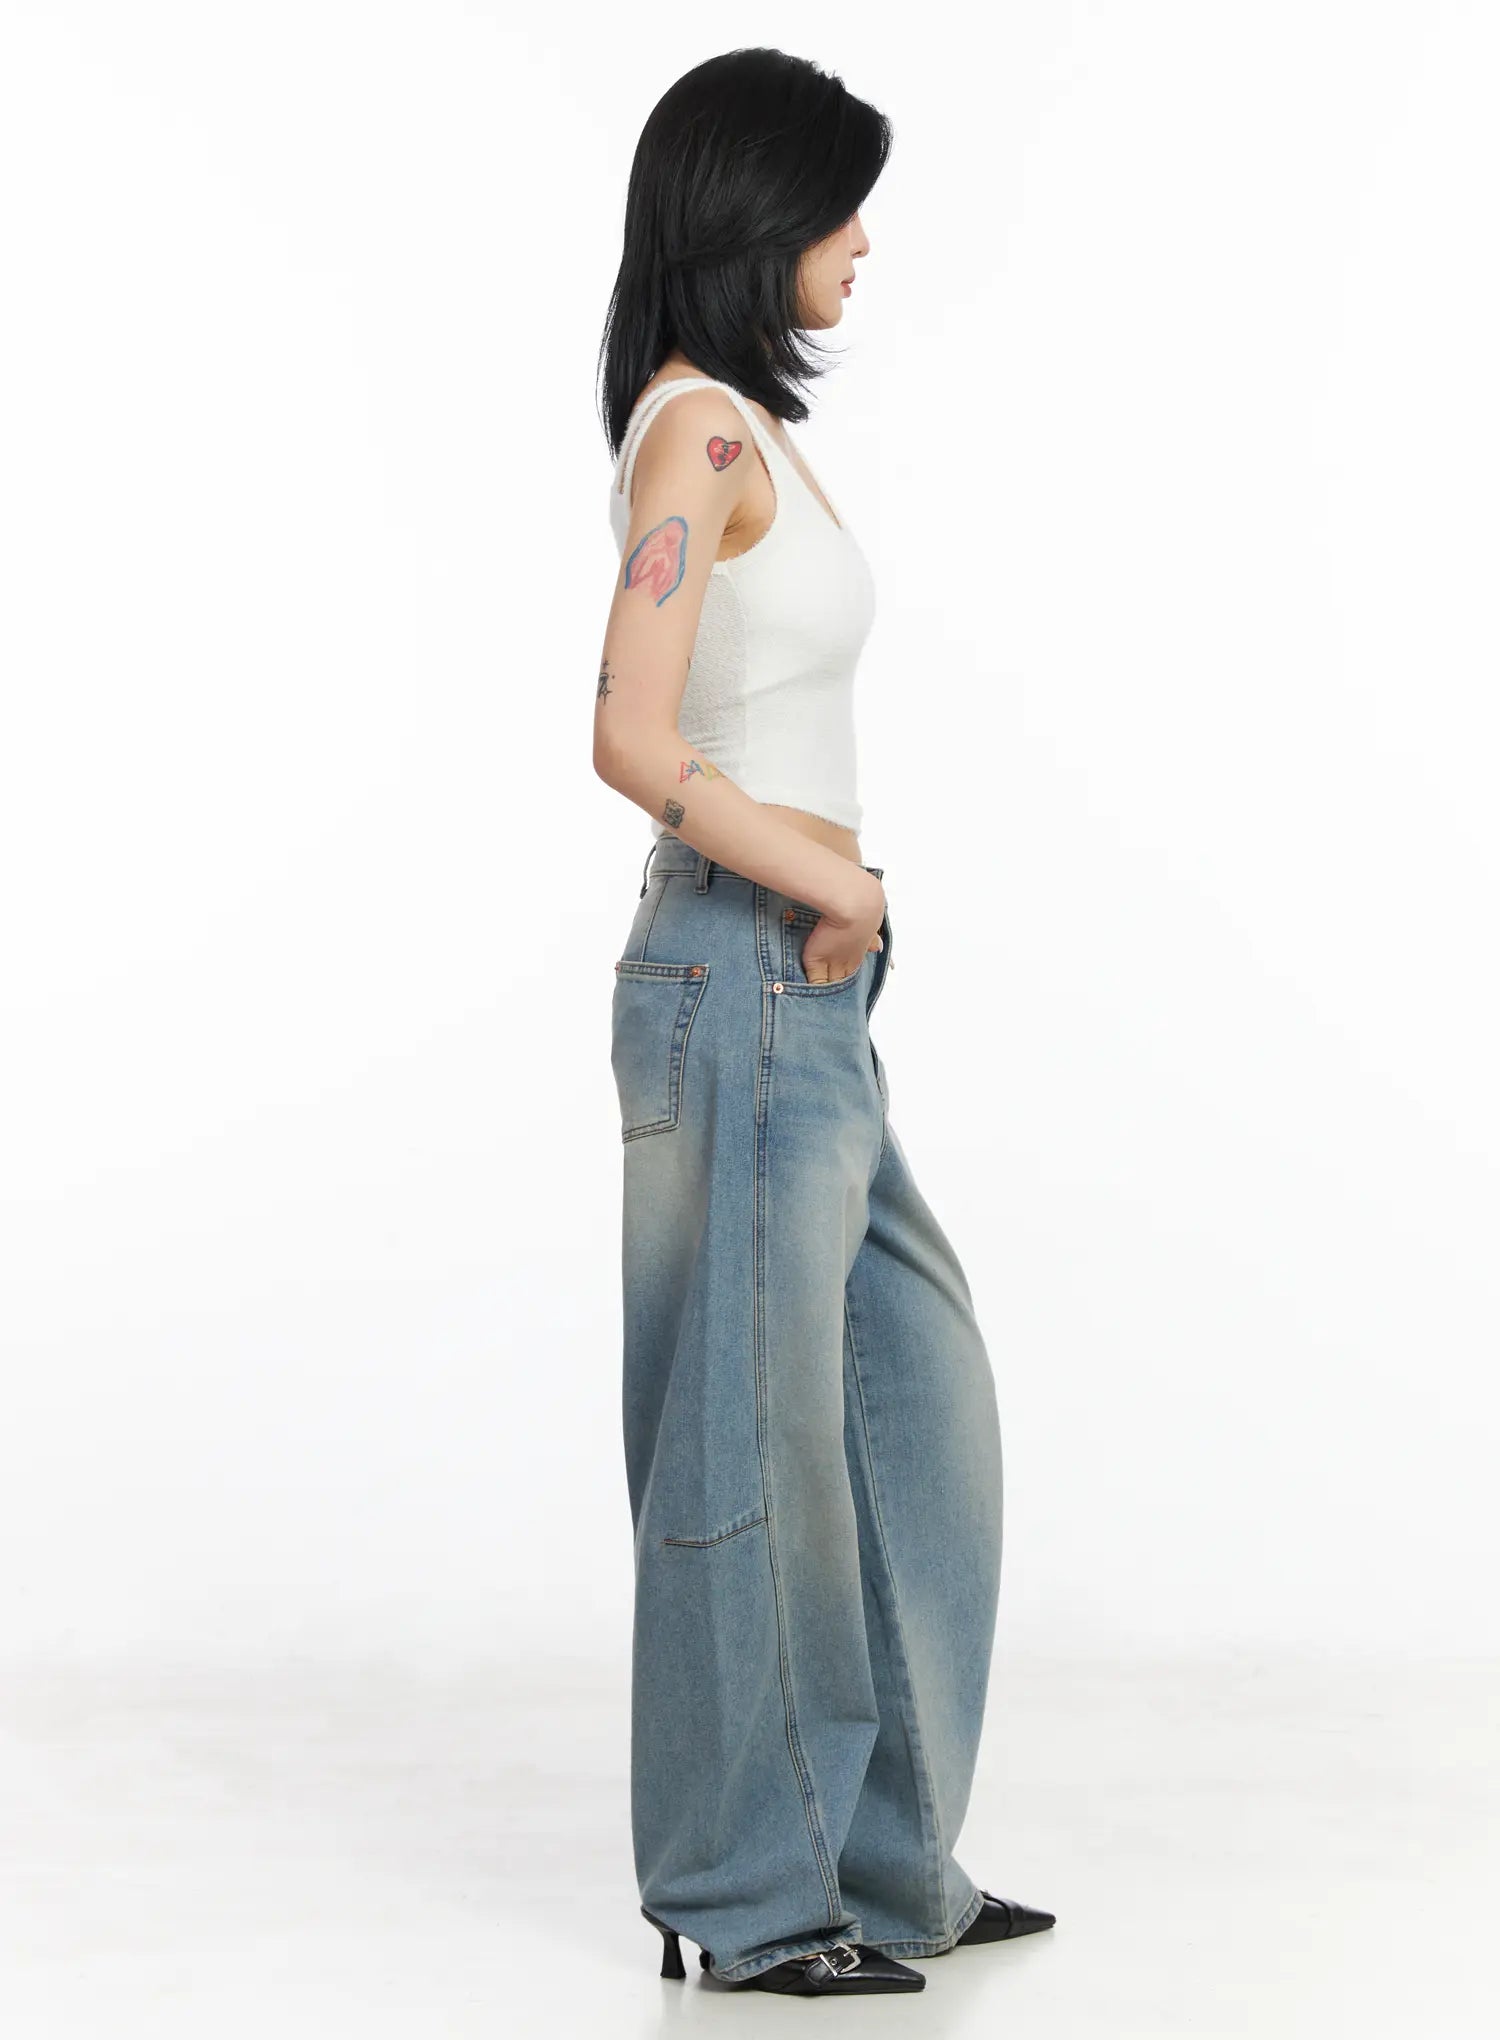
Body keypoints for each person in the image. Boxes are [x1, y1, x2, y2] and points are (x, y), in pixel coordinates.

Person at [592, 47, 1055, 1999]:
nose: (862, 240)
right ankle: (750, 1896)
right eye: (836, 204)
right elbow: (628, 733)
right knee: (754, 1442)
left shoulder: (742, 431)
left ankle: (883, 1859)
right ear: (753, 211)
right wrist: (829, 881)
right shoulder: (698, 437)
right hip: (744, 970)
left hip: (804, 994)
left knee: (908, 1406)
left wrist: (839, 911)